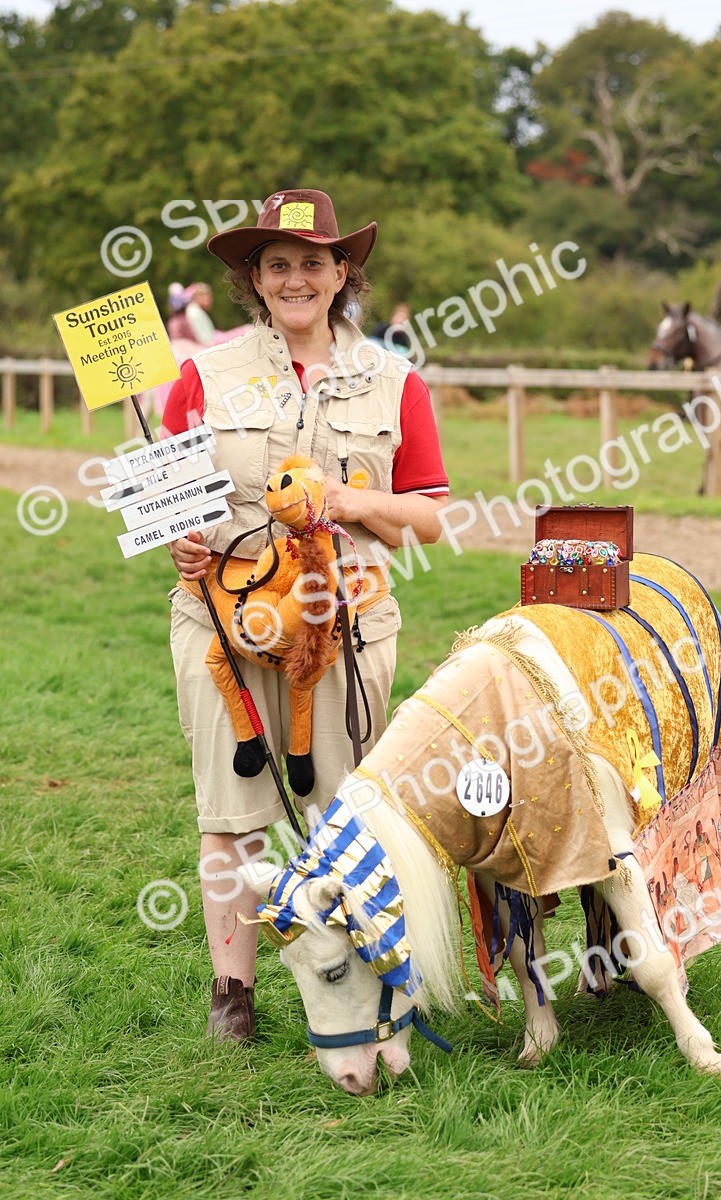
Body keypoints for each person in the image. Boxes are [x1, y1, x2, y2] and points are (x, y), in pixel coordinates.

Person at [161, 188, 449, 1041]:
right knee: (233, 815)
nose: (296, 279)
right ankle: (233, 996)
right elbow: (170, 494)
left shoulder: (396, 380)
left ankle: (363, 982)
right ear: (254, 277)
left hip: (344, 627)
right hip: (226, 623)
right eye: (277, 264)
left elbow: (430, 515)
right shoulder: (201, 375)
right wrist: (179, 538)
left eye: (312, 262)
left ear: (342, 273)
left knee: (344, 815)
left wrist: (347, 502)